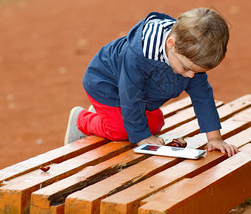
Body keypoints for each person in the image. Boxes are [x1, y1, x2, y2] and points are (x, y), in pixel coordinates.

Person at [64, 8, 238, 157]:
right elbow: (130, 95)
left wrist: (215, 138)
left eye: (197, 71)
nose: (191, 76)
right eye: (186, 68)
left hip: (139, 93)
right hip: (107, 83)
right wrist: (141, 136)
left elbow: (203, 97)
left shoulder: (188, 56)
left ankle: (108, 114)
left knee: (155, 124)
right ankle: (81, 120)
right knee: (120, 130)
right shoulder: (139, 56)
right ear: (171, 44)